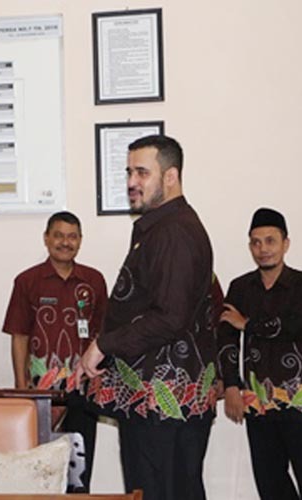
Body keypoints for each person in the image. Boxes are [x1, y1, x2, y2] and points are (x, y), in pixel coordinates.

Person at [77, 135, 217, 500]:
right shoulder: (161, 228)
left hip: (164, 405)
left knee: (161, 492)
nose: (131, 182)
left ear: (170, 177)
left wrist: (102, 345)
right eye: (128, 172)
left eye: (142, 172)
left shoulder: (173, 233)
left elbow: (170, 318)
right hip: (155, 403)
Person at [218, 208, 302, 500]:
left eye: (270, 241)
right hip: (257, 401)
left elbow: (294, 326)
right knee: (271, 487)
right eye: (256, 242)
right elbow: (226, 338)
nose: (263, 249)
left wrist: (247, 324)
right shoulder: (240, 288)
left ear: (286, 243)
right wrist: (231, 385)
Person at [2, 210, 107, 492]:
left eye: (72, 237)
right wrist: (22, 386)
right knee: (39, 467)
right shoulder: (27, 281)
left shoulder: (94, 281)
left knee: (79, 468)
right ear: (46, 239)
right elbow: (19, 336)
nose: (65, 242)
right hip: (40, 391)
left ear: (80, 241)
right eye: (58, 235)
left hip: (83, 388)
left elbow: (103, 336)